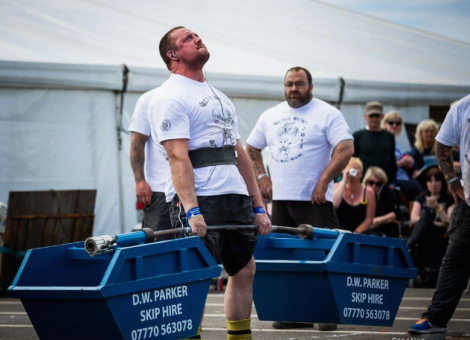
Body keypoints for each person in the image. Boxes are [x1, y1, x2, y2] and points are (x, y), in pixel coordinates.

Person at [150, 26, 272, 340]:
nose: (198, 39)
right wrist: (191, 210)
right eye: (187, 38)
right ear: (172, 55)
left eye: (197, 35)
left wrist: (258, 206)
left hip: (235, 198)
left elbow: (240, 154)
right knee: (196, 275)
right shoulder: (170, 95)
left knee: (244, 269)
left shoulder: (219, 96)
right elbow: (177, 157)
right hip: (200, 198)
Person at [245, 66, 353, 331]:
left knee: (322, 257)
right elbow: (251, 148)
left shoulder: (327, 113)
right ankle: (292, 313)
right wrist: (261, 179)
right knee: (287, 259)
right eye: (289, 84)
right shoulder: (270, 115)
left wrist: (325, 179)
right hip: (281, 201)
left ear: (311, 87)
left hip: (316, 201)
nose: (294, 89)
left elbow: (346, 147)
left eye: (300, 83)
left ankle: (327, 313)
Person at [408, 94, 470, 335]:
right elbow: (442, 144)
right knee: (454, 261)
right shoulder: (464, 106)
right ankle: (435, 318)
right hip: (468, 201)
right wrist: (453, 181)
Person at [129, 91, 172, 239]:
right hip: (161, 190)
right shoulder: (150, 98)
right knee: (158, 244)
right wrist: (140, 181)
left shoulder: (202, 97)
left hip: (199, 190)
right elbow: (137, 142)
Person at [407, 168, 455, 287]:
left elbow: (450, 221)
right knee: (424, 220)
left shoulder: (448, 200)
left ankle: (407, 247)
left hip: (440, 234)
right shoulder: (421, 198)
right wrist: (429, 222)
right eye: (430, 181)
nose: (433, 184)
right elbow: (413, 218)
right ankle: (409, 246)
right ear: (426, 183)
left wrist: (438, 208)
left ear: (442, 183)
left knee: (425, 220)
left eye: (437, 181)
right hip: (422, 234)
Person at [382, 110, 423, 203]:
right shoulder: (384, 141)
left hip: (403, 177)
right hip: (394, 179)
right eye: (391, 122)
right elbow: (384, 165)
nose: (394, 125)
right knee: (420, 191)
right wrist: (402, 162)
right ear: (385, 124)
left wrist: (408, 161)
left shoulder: (395, 142)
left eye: (397, 123)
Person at [353, 101, 397, 184]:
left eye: (377, 115)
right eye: (371, 115)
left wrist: (393, 182)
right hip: (363, 182)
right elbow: (354, 161)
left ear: (382, 116)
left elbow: (392, 161)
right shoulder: (358, 136)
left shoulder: (389, 136)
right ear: (365, 116)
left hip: (384, 182)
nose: (374, 118)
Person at [333, 157, 375, 233]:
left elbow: (369, 219)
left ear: (361, 174)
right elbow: (335, 204)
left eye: (355, 168)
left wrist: (355, 233)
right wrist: (344, 181)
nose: (352, 171)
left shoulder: (368, 191)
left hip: (359, 234)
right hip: (338, 232)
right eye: (349, 168)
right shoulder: (336, 187)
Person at [363, 166, 401, 238]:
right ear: (366, 181)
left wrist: (378, 220)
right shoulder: (361, 191)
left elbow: (394, 214)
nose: (374, 186)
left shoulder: (388, 193)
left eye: (378, 184)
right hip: (362, 228)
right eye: (371, 182)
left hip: (382, 230)